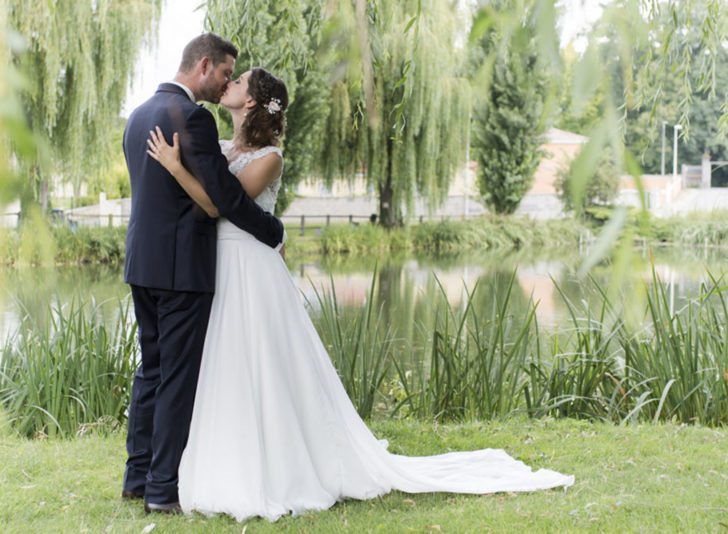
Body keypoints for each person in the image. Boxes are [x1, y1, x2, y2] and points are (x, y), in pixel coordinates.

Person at [146, 67, 574, 522]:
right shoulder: (223, 147)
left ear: (250, 102)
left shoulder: (270, 156)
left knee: (263, 362)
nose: (227, 86)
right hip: (222, 267)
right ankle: (224, 461)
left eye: (238, 82)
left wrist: (177, 168)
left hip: (251, 268)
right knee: (227, 364)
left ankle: (277, 465)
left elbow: (225, 205)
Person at [121, 34, 285, 514]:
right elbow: (225, 201)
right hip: (181, 269)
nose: (225, 83)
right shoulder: (193, 117)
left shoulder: (138, 115)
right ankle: (160, 491)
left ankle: (136, 477)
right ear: (205, 65)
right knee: (175, 378)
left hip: (142, 263)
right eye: (225, 72)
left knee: (150, 369)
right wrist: (274, 232)